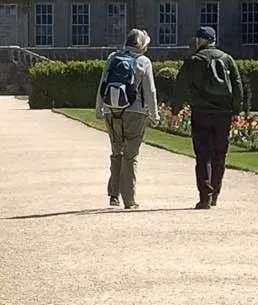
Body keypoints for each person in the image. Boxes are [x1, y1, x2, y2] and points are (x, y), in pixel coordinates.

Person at [175, 26, 245, 209]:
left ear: (199, 40)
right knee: (220, 154)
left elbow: (180, 86)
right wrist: (237, 111)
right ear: (213, 40)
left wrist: (175, 110)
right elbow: (237, 86)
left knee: (203, 155)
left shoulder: (193, 60)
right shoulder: (227, 58)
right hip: (223, 113)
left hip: (201, 112)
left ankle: (205, 196)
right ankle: (215, 194)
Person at [95, 28, 160, 210]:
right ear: (141, 45)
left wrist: (99, 108)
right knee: (130, 157)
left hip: (111, 110)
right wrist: (154, 115)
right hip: (135, 112)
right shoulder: (143, 61)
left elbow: (103, 83)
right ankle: (129, 200)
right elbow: (150, 91)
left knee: (116, 153)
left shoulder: (113, 57)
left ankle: (114, 196)